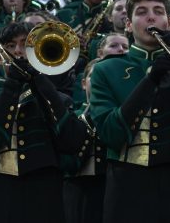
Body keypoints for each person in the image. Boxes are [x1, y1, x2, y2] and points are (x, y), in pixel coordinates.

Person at [90, 0, 170, 222]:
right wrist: (151, 80)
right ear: (128, 24)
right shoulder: (106, 70)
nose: (151, 17)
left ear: (168, 22)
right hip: (128, 182)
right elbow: (110, 133)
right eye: (141, 12)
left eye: (158, 11)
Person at [0, 21, 91, 223]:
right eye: (11, 45)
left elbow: (73, 143)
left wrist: (41, 84)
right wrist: (11, 86)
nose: (19, 52)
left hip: (43, 198)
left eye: (25, 45)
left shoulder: (56, 98)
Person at [62, 58, 107, 223]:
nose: (100, 80)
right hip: (78, 186)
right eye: (94, 76)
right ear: (83, 83)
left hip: (110, 184)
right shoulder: (72, 114)